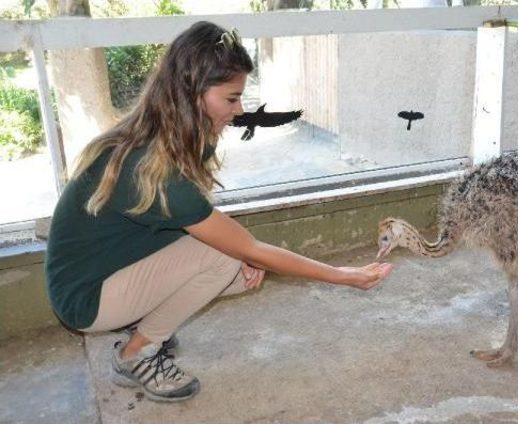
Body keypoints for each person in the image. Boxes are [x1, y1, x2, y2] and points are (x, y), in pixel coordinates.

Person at [45, 21, 393, 403]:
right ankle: (135, 353)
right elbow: (246, 246)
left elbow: (189, 223)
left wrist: (242, 253)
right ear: (193, 94)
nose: (240, 110)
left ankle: (143, 322)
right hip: (84, 297)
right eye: (231, 99)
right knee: (224, 257)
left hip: (107, 266)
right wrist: (342, 275)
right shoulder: (153, 164)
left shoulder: (174, 135)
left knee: (234, 263)